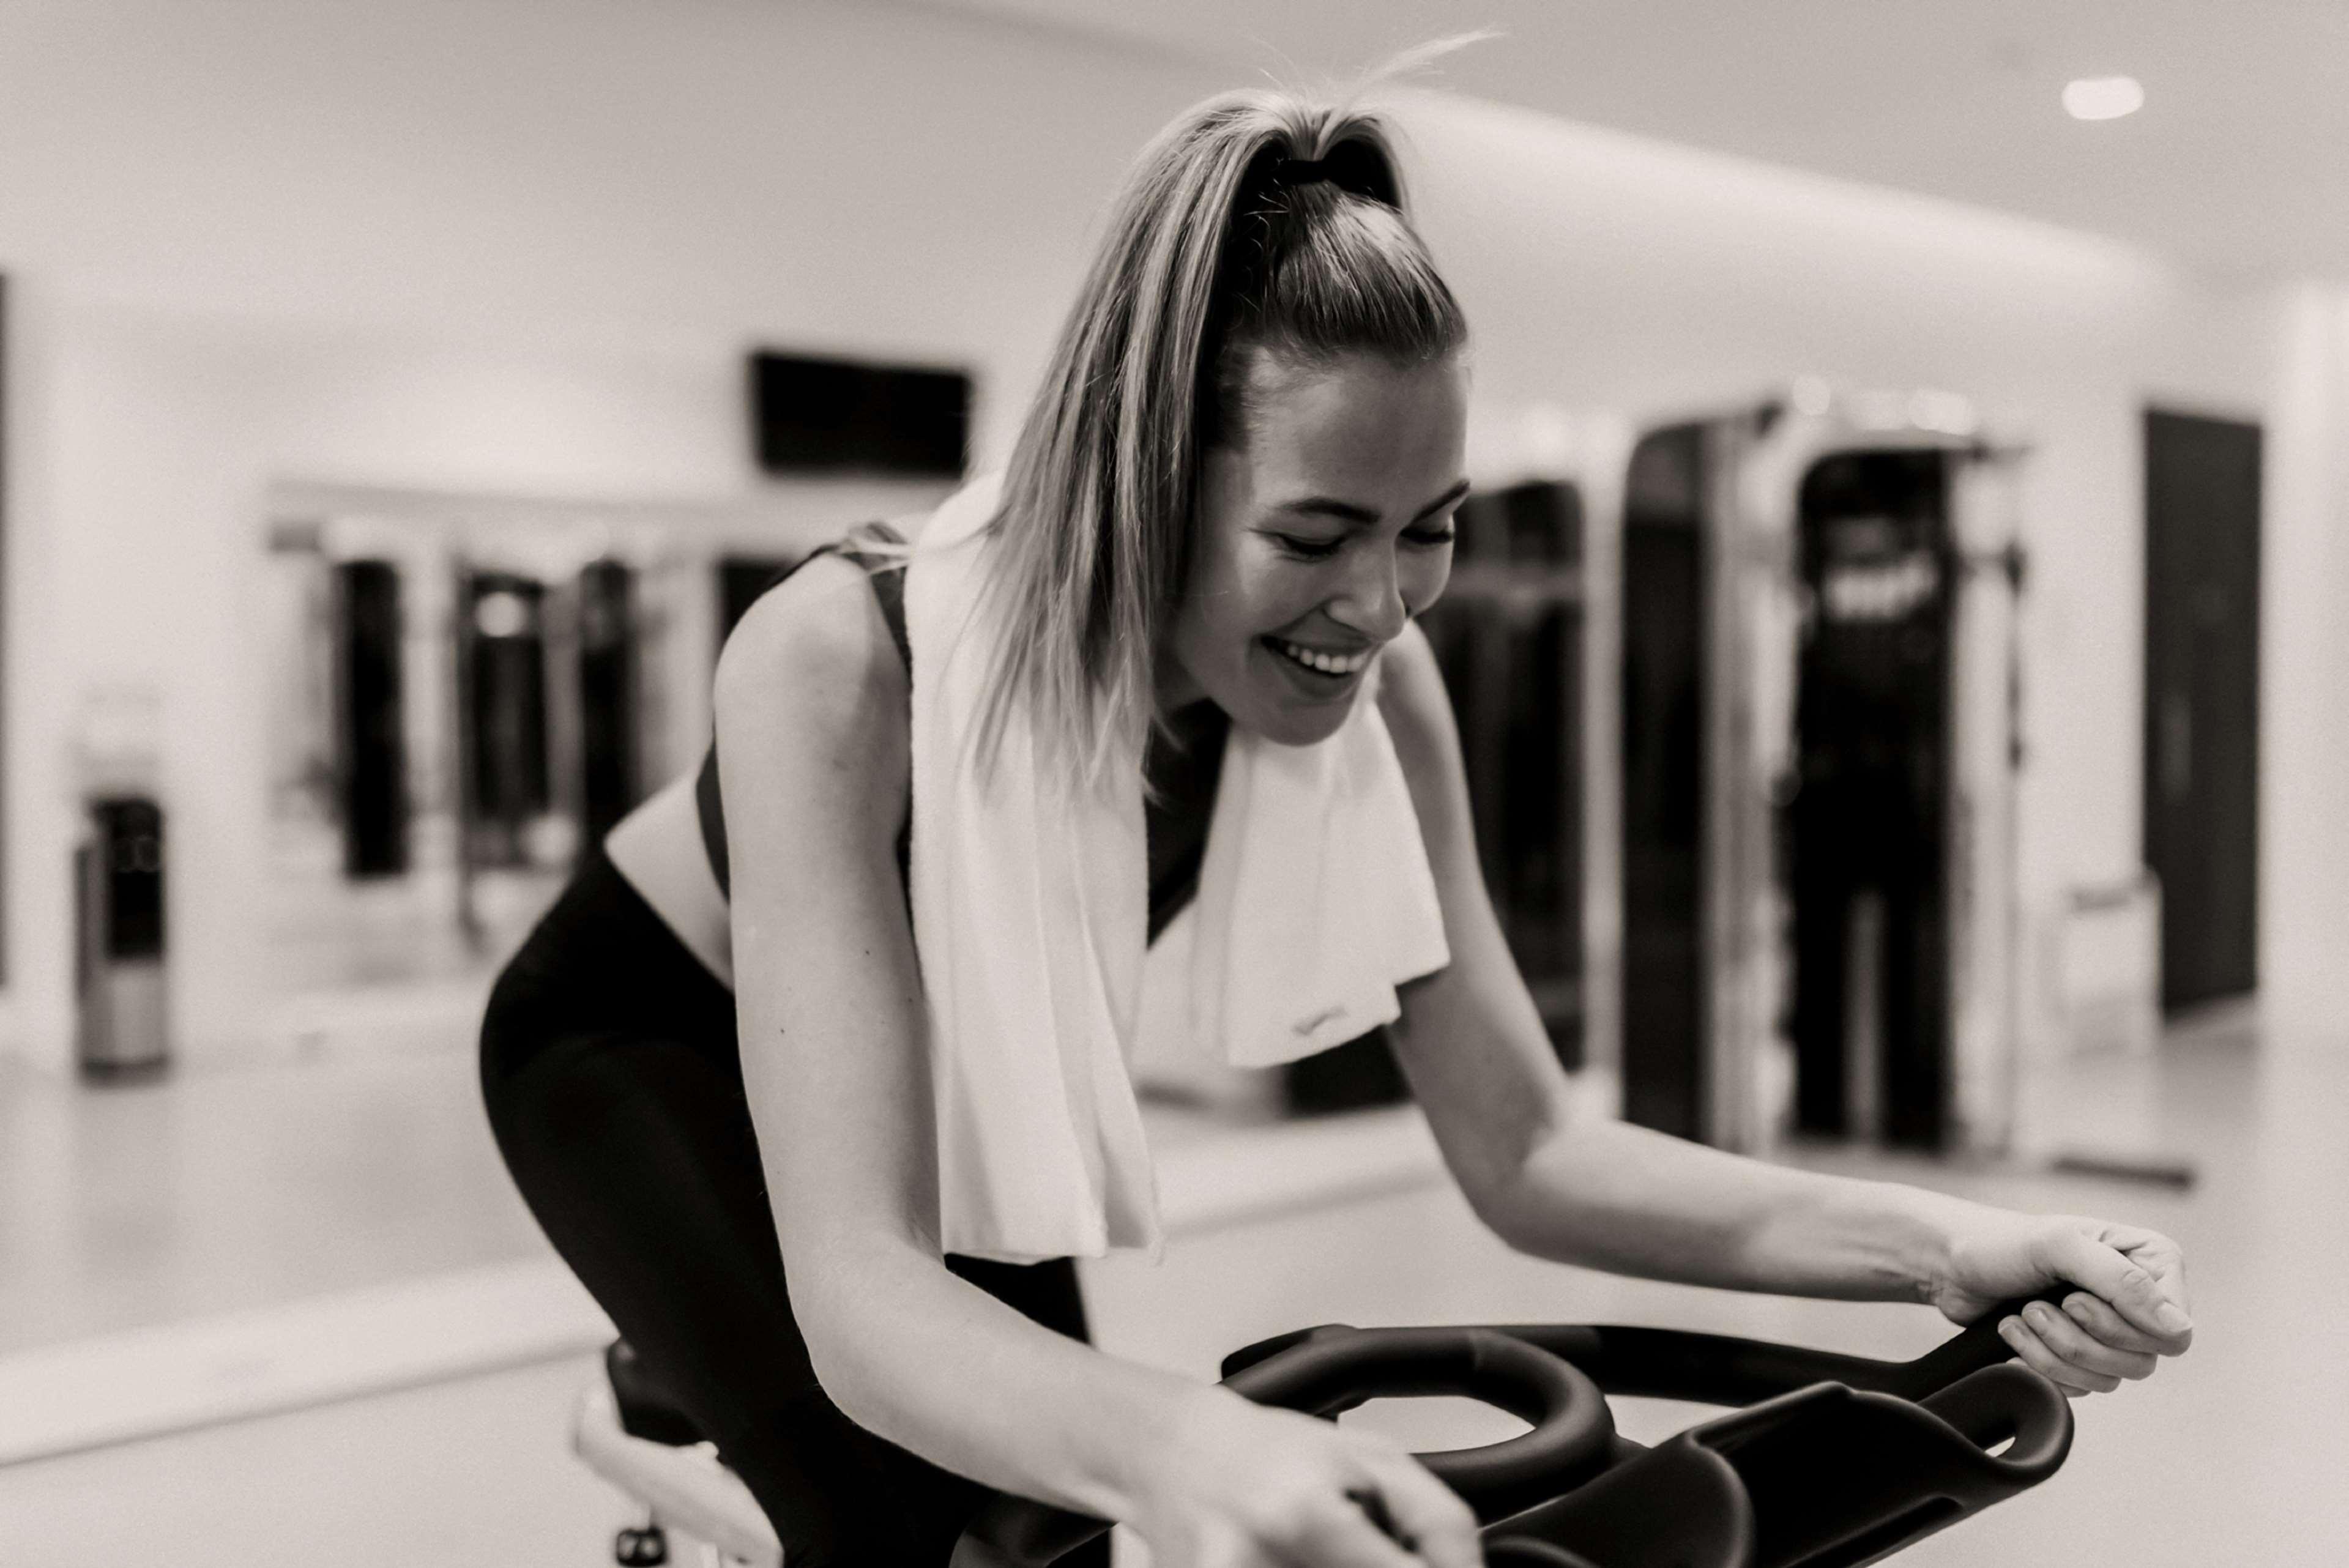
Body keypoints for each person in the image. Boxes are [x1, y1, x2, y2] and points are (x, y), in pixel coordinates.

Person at [478, 81, 2193, 1568]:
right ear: (1143, 481)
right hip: (641, 1044)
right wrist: (1180, 1439)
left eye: (1428, 527)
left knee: (1057, 1515)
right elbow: (862, 1296)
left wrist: (1953, 1245)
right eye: (1314, 536)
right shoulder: (835, 661)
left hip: (952, 1069)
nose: (1379, 607)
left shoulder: (1379, 689)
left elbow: (1531, 1151)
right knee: (911, 1521)